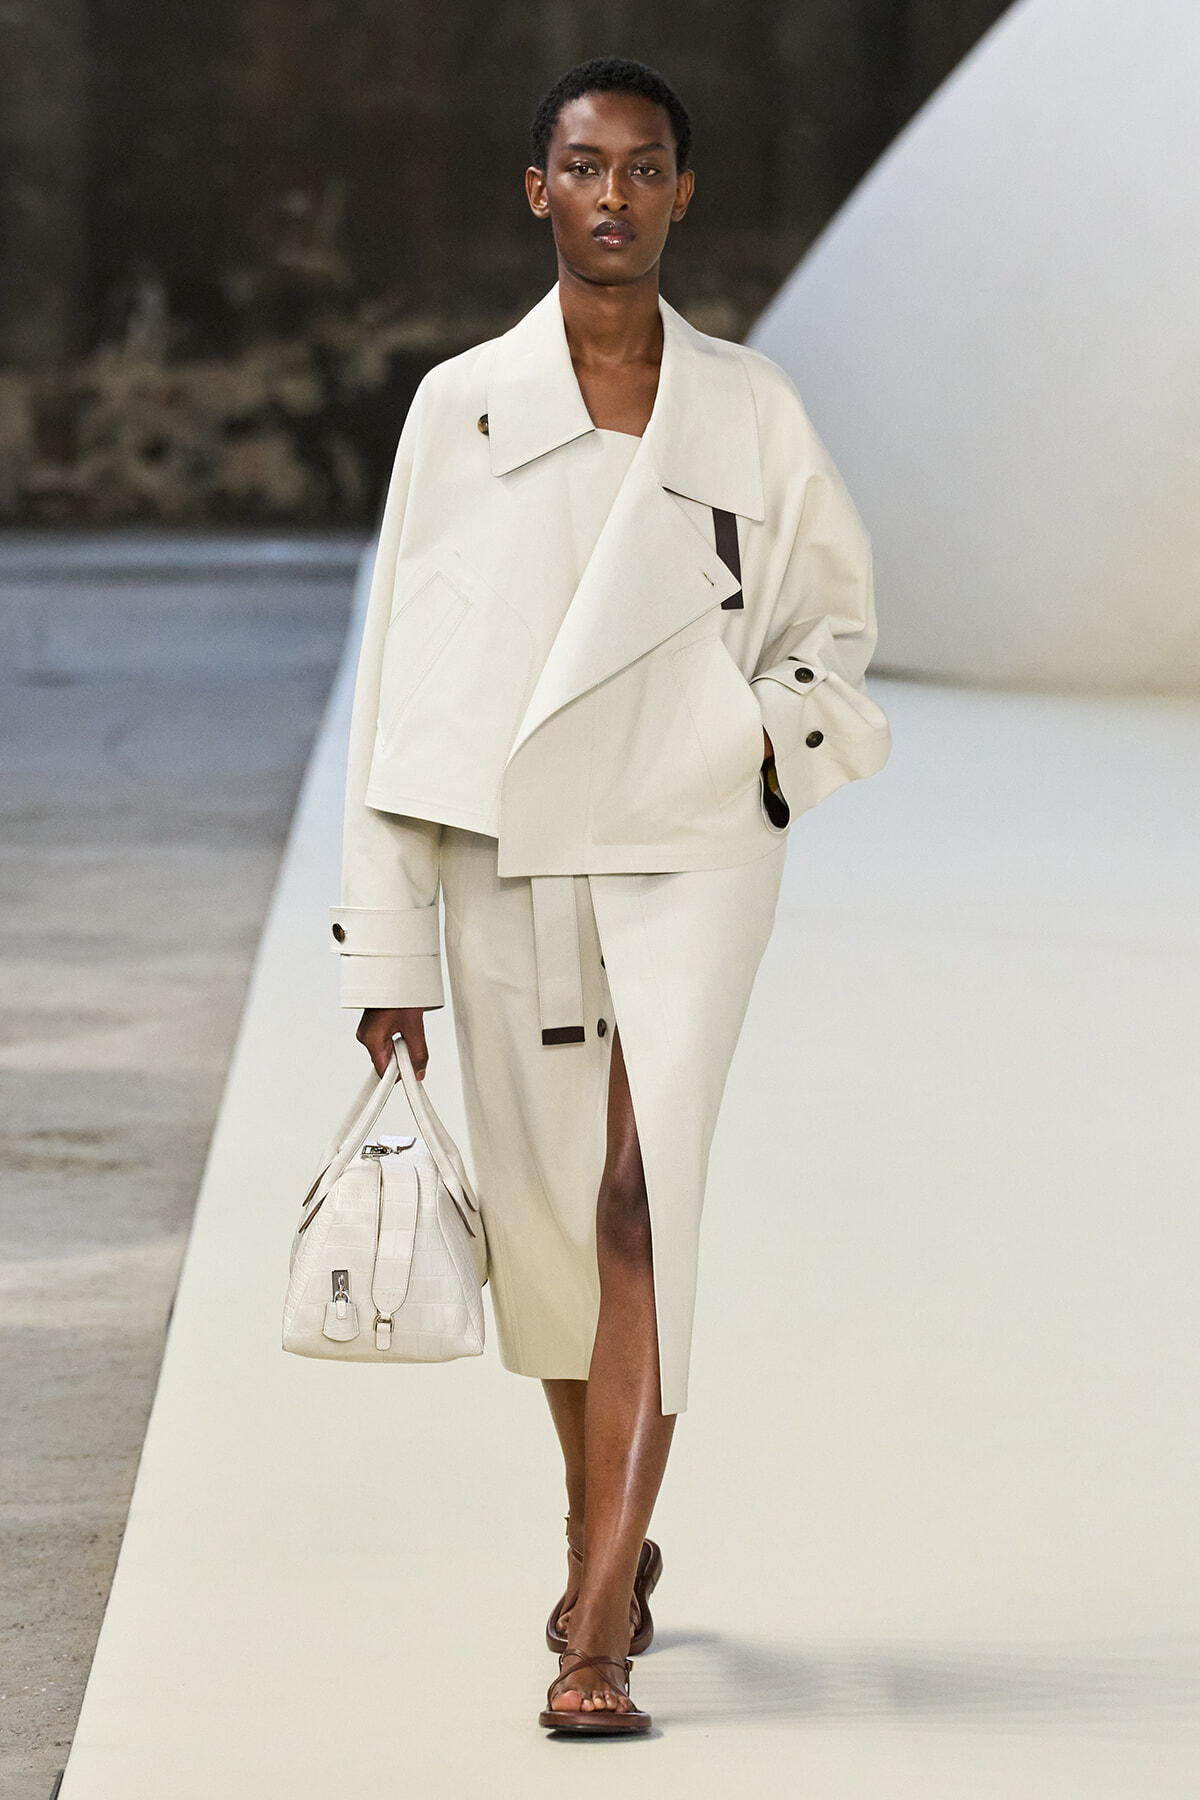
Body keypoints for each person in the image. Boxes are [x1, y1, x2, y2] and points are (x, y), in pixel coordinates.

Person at [333, 56, 890, 1735]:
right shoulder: (462, 407)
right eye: (584, 168)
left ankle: (593, 1629)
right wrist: (390, 943)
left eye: (646, 170)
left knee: (644, 1203)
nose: (613, 197)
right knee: (553, 1232)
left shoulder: (752, 410)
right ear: (538, 191)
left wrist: (744, 739)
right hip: (510, 860)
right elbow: (402, 683)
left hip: (693, 853)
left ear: (680, 196)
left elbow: (836, 641)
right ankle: (611, 1531)